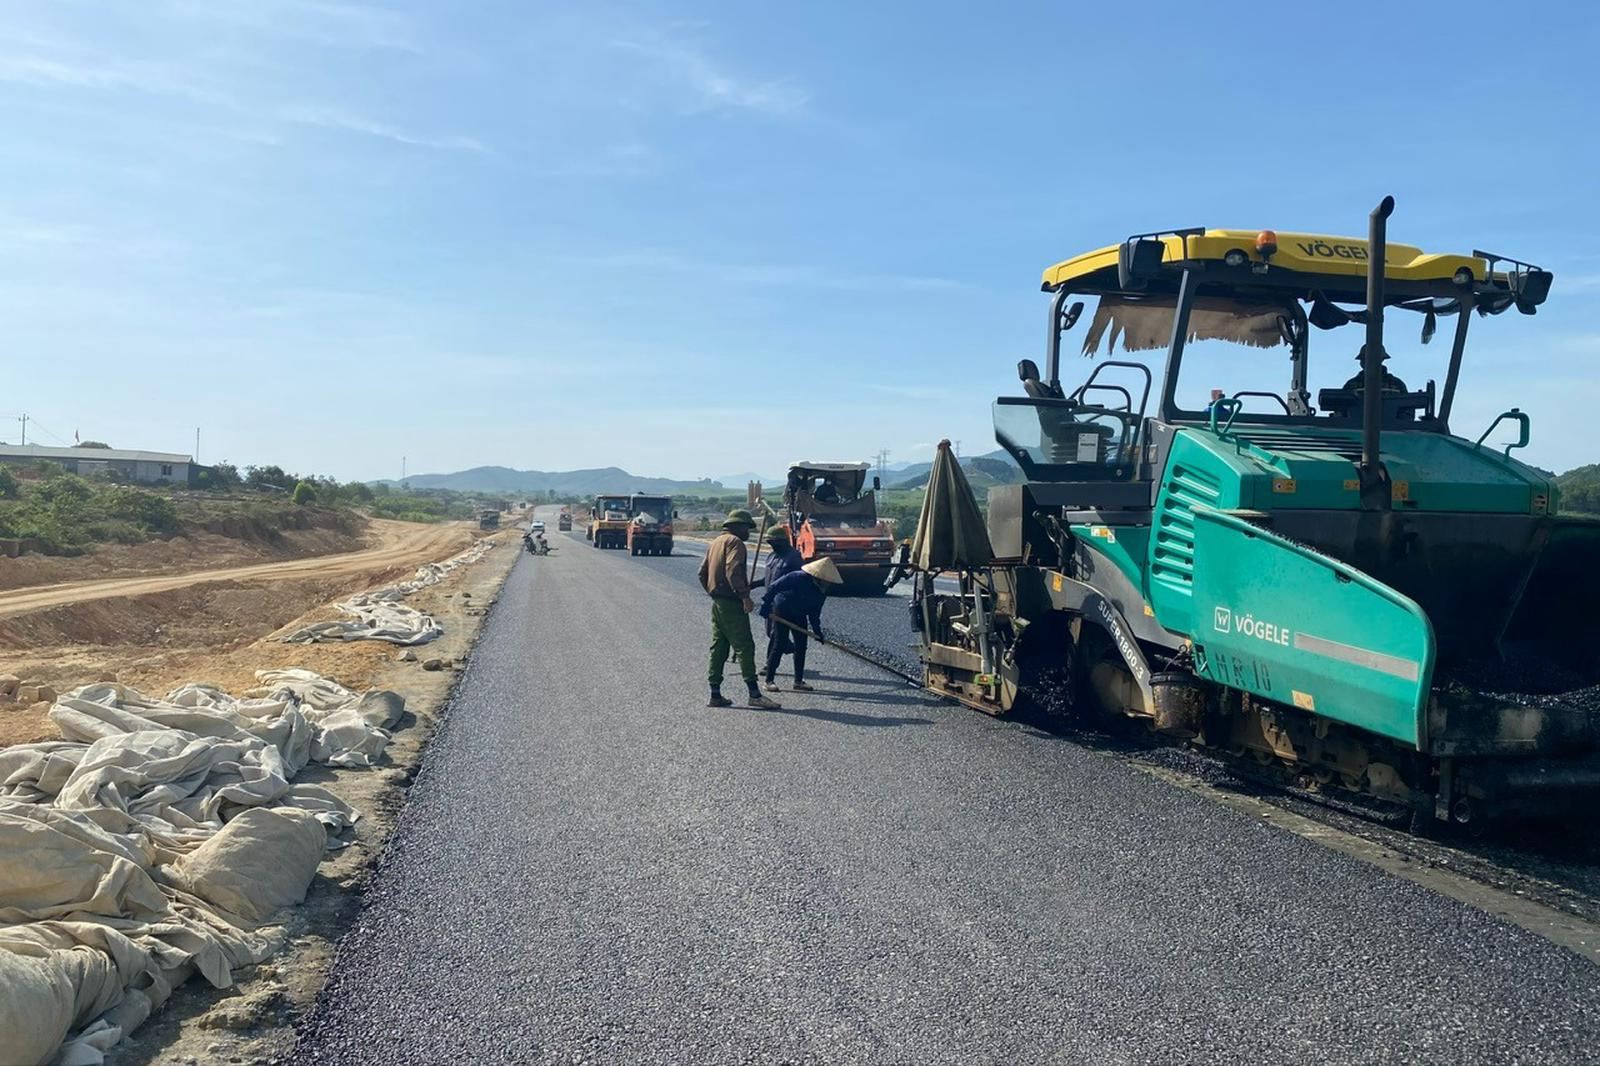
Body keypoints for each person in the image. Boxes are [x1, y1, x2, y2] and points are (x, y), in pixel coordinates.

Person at [698, 509, 780, 710]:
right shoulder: (735, 543)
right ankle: (754, 695)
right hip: (732, 603)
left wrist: (713, 592)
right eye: (746, 528)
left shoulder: (716, 542)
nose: (747, 532)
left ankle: (715, 694)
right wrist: (744, 596)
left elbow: (702, 573)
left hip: (718, 603)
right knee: (745, 646)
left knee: (719, 646)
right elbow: (732, 570)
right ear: (737, 526)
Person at [760, 557, 843, 691]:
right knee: (779, 644)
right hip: (782, 610)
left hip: (799, 614)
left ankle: (798, 681)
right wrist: (766, 605)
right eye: (826, 581)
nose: (828, 584)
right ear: (818, 577)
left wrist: (817, 631)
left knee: (801, 646)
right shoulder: (797, 577)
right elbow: (774, 587)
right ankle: (769, 681)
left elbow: (814, 613)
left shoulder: (821, 592)